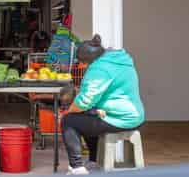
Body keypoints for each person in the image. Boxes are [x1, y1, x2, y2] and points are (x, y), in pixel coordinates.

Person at [61, 35, 145, 175]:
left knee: (69, 121)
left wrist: (69, 111)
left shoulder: (99, 69)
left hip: (120, 119)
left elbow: (84, 101)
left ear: (89, 60)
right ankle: (94, 160)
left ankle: (77, 167)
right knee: (87, 115)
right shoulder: (118, 60)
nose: (82, 66)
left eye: (82, 63)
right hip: (135, 116)